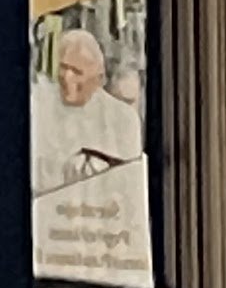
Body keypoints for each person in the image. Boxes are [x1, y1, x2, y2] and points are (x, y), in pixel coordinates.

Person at [31, 23, 143, 191]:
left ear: (99, 78)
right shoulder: (38, 106)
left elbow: (129, 185)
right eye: (63, 67)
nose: (67, 77)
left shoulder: (123, 120)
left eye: (77, 71)